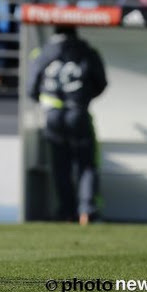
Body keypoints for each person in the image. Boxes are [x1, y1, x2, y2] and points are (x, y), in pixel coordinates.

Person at [27, 26, 107, 225]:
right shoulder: (87, 52)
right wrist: (83, 98)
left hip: (53, 115)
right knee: (86, 163)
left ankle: (66, 211)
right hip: (78, 112)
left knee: (60, 166)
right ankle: (86, 211)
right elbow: (101, 82)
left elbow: (31, 87)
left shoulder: (43, 52)